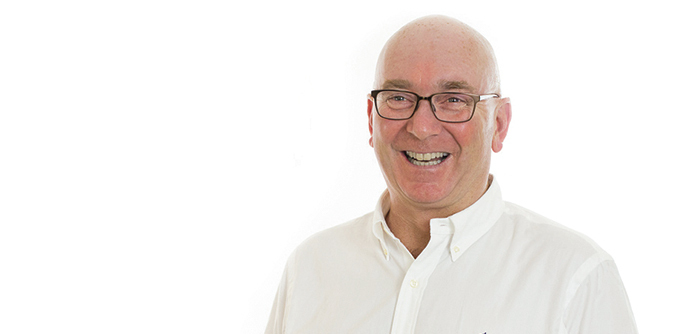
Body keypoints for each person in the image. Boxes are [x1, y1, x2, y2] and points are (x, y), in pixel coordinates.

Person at [265, 15, 637, 334]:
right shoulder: (310, 268)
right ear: (371, 118)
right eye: (398, 98)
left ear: (499, 125)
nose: (422, 127)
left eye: (454, 100)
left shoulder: (576, 278)